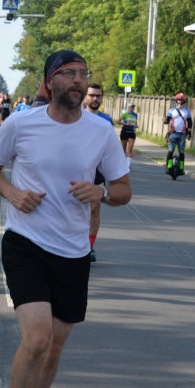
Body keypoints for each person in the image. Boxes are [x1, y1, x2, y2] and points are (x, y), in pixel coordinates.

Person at [0, 49, 130, 388]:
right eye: (69, 74)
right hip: (25, 242)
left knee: (57, 343)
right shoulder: (21, 123)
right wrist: (12, 194)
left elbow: (123, 189)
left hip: (73, 250)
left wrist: (100, 193)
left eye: (84, 74)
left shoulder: (101, 132)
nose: (79, 81)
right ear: (50, 82)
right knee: (39, 337)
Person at [83, 82, 114, 262]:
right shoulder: (76, 117)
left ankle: (89, 246)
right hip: (78, 166)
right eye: (92, 95)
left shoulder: (106, 120)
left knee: (95, 206)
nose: (95, 99)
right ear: (85, 97)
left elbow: (110, 148)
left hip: (97, 168)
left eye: (98, 96)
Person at [163, 93, 192, 177]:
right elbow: (167, 121)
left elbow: (189, 123)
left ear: (184, 101)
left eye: (181, 100)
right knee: (171, 151)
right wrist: (164, 121)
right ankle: (168, 166)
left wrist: (189, 134)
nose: (179, 102)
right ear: (176, 101)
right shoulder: (171, 110)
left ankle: (181, 169)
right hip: (173, 134)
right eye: (178, 100)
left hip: (182, 135)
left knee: (182, 153)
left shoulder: (187, 111)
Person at [118, 102, 138, 170]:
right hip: (125, 131)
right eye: (131, 106)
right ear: (128, 107)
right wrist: (126, 124)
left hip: (132, 132)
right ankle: (122, 164)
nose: (133, 108)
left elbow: (135, 123)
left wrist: (136, 126)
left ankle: (127, 165)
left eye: (133, 107)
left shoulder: (135, 114)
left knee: (130, 149)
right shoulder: (125, 114)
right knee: (123, 149)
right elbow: (118, 121)